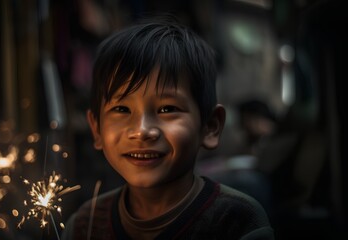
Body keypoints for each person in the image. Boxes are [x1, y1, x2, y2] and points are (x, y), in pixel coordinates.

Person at [62, 17, 274, 240]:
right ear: (96, 129)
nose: (142, 131)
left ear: (210, 126)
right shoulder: (84, 226)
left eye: (167, 109)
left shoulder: (237, 221)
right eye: (122, 110)